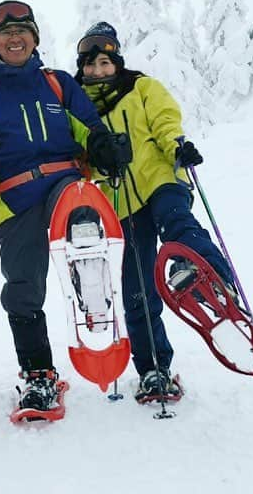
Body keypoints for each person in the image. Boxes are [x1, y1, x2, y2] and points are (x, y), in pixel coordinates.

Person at [0, 1, 130, 412]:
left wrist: (103, 145)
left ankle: (97, 315)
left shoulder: (58, 84)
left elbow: (89, 126)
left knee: (82, 219)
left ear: (35, 39)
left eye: (22, 32)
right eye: (5, 35)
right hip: (15, 201)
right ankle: (39, 376)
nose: (14, 39)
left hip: (64, 184)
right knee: (21, 291)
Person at [73, 21, 238, 403]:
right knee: (137, 289)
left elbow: (165, 121)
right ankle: (152, 370)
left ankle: (214, 278)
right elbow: (80, 155)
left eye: (104, 63)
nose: (98, 71)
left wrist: (177, 146)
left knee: (177, 222)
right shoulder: (77, 105)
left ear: (117, 63)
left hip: (160, 177)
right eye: (91, 65)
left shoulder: (142, 87)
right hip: (119, 204)